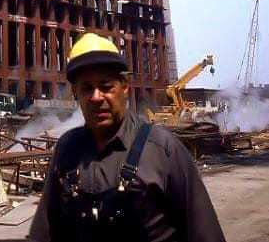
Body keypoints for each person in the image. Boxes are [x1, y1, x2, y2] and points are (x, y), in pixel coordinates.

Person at [28, 33, 226, 242]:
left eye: (106, 87)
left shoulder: (163, 149)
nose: (96, 97)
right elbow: (44, 232)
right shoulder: (66, 150)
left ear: (124, 88)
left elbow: (204, 232)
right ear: (76, 93)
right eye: (87, 88)